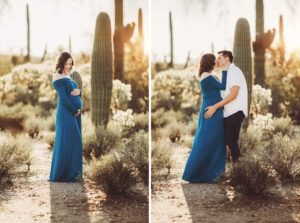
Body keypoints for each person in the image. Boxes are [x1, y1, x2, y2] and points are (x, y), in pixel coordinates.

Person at [182, 53, 228, 183]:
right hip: (212, 110)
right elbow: (223, 86)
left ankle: (210, 173)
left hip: (211, 108)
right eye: (214, 61)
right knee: (212, 140)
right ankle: (210, 174)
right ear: (210, 63)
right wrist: (224, 69)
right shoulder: (208, 77)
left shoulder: (205, 75)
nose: (216, 63)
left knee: (207, 139)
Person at [204, 50, 248, 163]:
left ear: (227, 59)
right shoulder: (226, 73)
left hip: (236, 111)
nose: (217, 60)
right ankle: (236, 170)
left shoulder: (234, 72)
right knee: (228, 141)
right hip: (228, 112)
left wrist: (215, 107)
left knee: (232, 141)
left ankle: (240, 171)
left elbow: (234, 94)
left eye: (219, 58)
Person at [49, 52, 83, 182]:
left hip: (75, 112)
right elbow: (63, 97)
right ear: (61, 63)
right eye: (66, 63)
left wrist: (79, 92)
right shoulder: (57, 77)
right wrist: (75, 109)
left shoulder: (69, 75)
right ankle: (64, 174)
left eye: (70, 63)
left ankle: (74, 174)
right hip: (66, 111)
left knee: (73, 141)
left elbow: (75, 92)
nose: (68, 66)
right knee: (70, 140)